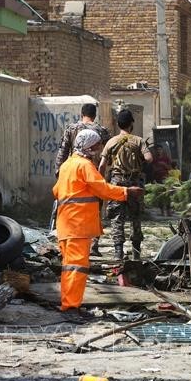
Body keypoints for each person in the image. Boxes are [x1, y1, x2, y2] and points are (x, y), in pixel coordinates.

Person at [53, 129, 143, 312]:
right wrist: (126, 192)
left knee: (69, 267)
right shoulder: (84, 166)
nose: (99, 147)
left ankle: (68, 303)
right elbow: (102, 189)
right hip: (78, 225)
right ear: (89, 146)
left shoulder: (66, 165)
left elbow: (56, 191)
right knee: (77, 268)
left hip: (66, 224)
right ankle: (70, 307)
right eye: (97, 145)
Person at [54, 103, 110, 256]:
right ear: (95, 115)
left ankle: (69, 241)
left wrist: (59, 174)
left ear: (81, 114)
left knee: (71, 209)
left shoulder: (71, 129)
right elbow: (108, 153)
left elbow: (63, 151)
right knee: (95, 211)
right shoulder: (102, 131)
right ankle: (93, 245)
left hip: (73, 176)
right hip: (94, 175)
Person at [98, 109, 153, 260]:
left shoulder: (111, 142)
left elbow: (102, 165)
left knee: (117, 218)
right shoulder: (138, 140)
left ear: (118, 124)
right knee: (136, 217)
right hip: (134, 182)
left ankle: (118, 253)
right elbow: (149, 158)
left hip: (116, 183)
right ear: (131, 124)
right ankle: (136, 253)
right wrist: (139, 161)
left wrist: (101, 182)